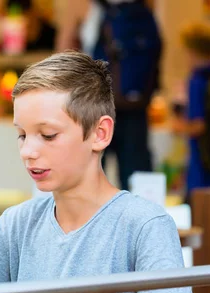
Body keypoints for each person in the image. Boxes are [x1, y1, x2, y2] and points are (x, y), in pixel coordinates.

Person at [0, 51, 195, 293]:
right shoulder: (19, 223)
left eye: (48, 135)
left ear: (100, 134)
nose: (28, 151)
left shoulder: (145, 225)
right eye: (21, 135)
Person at [56, 0, 160, 190]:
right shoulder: (144, 6)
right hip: (135, 107)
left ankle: (93, 218)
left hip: (96, 103)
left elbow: (64, 52)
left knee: (90, 176)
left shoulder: (87, 7)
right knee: (136, 178)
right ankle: (139, 218)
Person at [172, 22, 210, 199]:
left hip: (202, 161)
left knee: (199, 208)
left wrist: (179, 127)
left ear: (193, 52)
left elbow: (199, 126)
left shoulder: (196, 81)